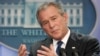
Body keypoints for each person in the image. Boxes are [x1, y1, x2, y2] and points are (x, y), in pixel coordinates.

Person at [18, 2, 100, 56]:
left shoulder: (88, 43)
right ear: (42, 28)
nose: (51, 25)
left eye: (54, 19)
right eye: (45, 23)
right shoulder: (37, 48)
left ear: (65, 17)